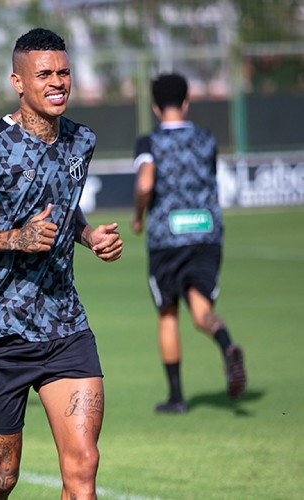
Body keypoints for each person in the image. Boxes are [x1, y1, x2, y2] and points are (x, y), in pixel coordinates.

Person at [0, 28, 122, 499]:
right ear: (18, 82)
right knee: (2, 479)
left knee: (83, 465)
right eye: (44, 74)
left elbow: (62, 205)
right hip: (0, 334)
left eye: (64, 72)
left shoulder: (82, 140)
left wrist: (87, 235)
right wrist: (16, 238)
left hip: (65, 325)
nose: (57, 82)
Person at [131, 72, 246, 414]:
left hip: (167, 238)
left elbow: (145, 184)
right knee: (202, 310)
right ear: (186, 101)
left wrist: (138, 215)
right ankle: (225, 343)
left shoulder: (148, 142)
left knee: (168, 314)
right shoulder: (207, 139)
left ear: (154, 106)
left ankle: (177, 397)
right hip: (206, 233)